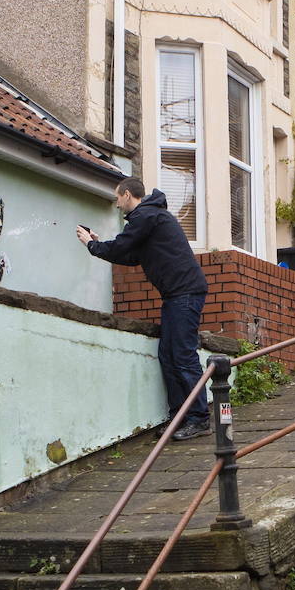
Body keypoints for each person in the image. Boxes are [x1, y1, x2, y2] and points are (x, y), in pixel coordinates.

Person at [76, 177, 211, 441]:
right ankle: (180, 416)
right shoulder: (149, 219)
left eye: (118, 197)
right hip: (176, 295)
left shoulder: (146, 216)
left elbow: (123, 246)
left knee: (182, 356)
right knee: (168, 356)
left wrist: (91, 245)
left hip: (185, 293)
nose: (116, 204)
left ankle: (198, 418)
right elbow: (129, 256)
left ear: (127, 195)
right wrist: (99, 243)